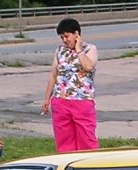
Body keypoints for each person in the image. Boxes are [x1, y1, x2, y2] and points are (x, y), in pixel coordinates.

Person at [42, 18, 99, 152]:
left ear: (76, 34)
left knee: (87, 140)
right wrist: (46, 99)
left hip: (82, 101)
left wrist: (78, 49)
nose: (64, 40)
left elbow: (88, 66)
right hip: (61, 101)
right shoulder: (60, 51)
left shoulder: (90, 49)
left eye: (67, 36)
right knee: (64, 142)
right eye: (62, 37)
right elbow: (53, 75)